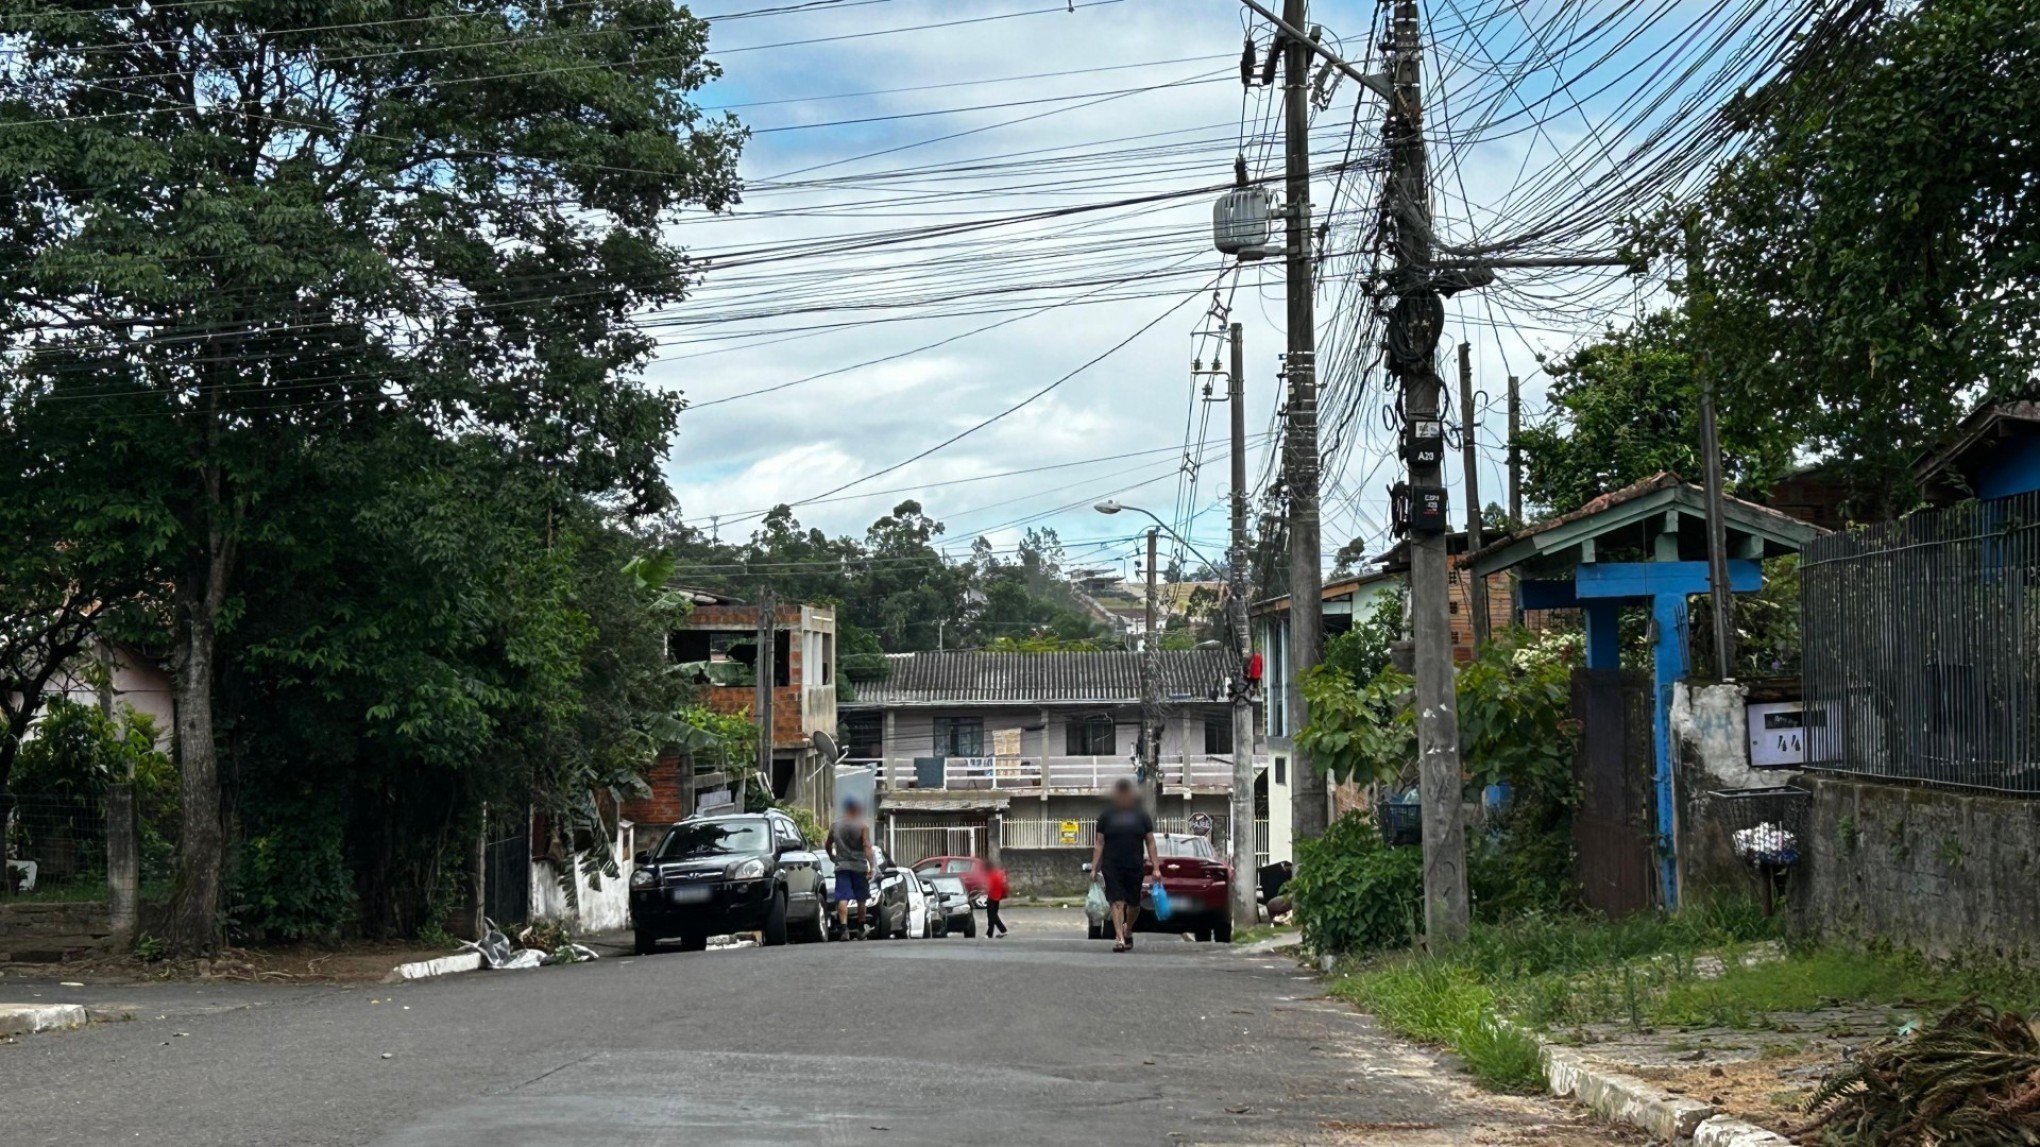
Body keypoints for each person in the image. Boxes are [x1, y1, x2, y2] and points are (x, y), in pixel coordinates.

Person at [1089, 778, 1159, 952]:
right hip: (1112, 866)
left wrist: (1156, 866)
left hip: (1134, 865)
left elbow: (1150, 841)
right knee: (1117, 901)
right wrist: (1094, 867)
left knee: (1134, 905)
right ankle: (1119, 938)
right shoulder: (1106, 816)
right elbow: (1099, 842)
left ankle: (1128, 929)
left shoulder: (1141, 816)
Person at [827, 798, 877, 939]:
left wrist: (832, 856)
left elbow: (828, 844)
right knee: (861, 898)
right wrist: (871, 866)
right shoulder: (862, 826)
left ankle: (844, 930)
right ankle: (861, 929)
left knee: (842, 897)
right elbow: (867, 846)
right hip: (859, 867)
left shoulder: (835, 826)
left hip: (842, 866)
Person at [979, 857, 1009, 939]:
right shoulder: (997, 873)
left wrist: (983, 891)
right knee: (992, 916)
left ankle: (1003, 930)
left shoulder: (991, 875)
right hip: (997, 897)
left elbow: (989, 886)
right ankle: (990, 933)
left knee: (992, 916)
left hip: (992, 897)